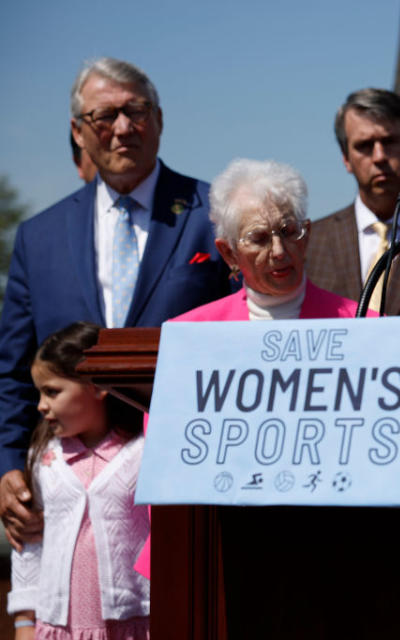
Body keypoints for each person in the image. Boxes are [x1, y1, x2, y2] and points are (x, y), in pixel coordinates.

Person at [0, 58, 232, 552]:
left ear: (160, 120)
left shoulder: (214, 216)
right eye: (104, 116)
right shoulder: (39, 238)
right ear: (79, 132)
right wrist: (5, 467)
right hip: (67, 497)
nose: (123, 128)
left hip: (183, 486)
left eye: (137, 111)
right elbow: (14, 372)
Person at [132, 157, 369, 580]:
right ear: (228, 252)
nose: (279, 251)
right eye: (259, 238)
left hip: (329, 552)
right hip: (214, 553)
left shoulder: (361, 325)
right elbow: (165, 460)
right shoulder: (188, 337)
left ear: (307, 234)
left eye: (289, 231)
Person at [8, 322, 150, 640]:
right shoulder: (45, 461)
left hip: (131, 625)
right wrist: (23, 622)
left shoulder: (142, 453)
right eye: (39, 393)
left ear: (98, 386)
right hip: (58, 628)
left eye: (52, 391)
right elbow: (29, 545)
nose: (41, 406)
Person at [305, 88, 400, 315]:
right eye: (365, 146)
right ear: (346, 159)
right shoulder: (311, 245)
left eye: (389, 141)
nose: (379, 156)